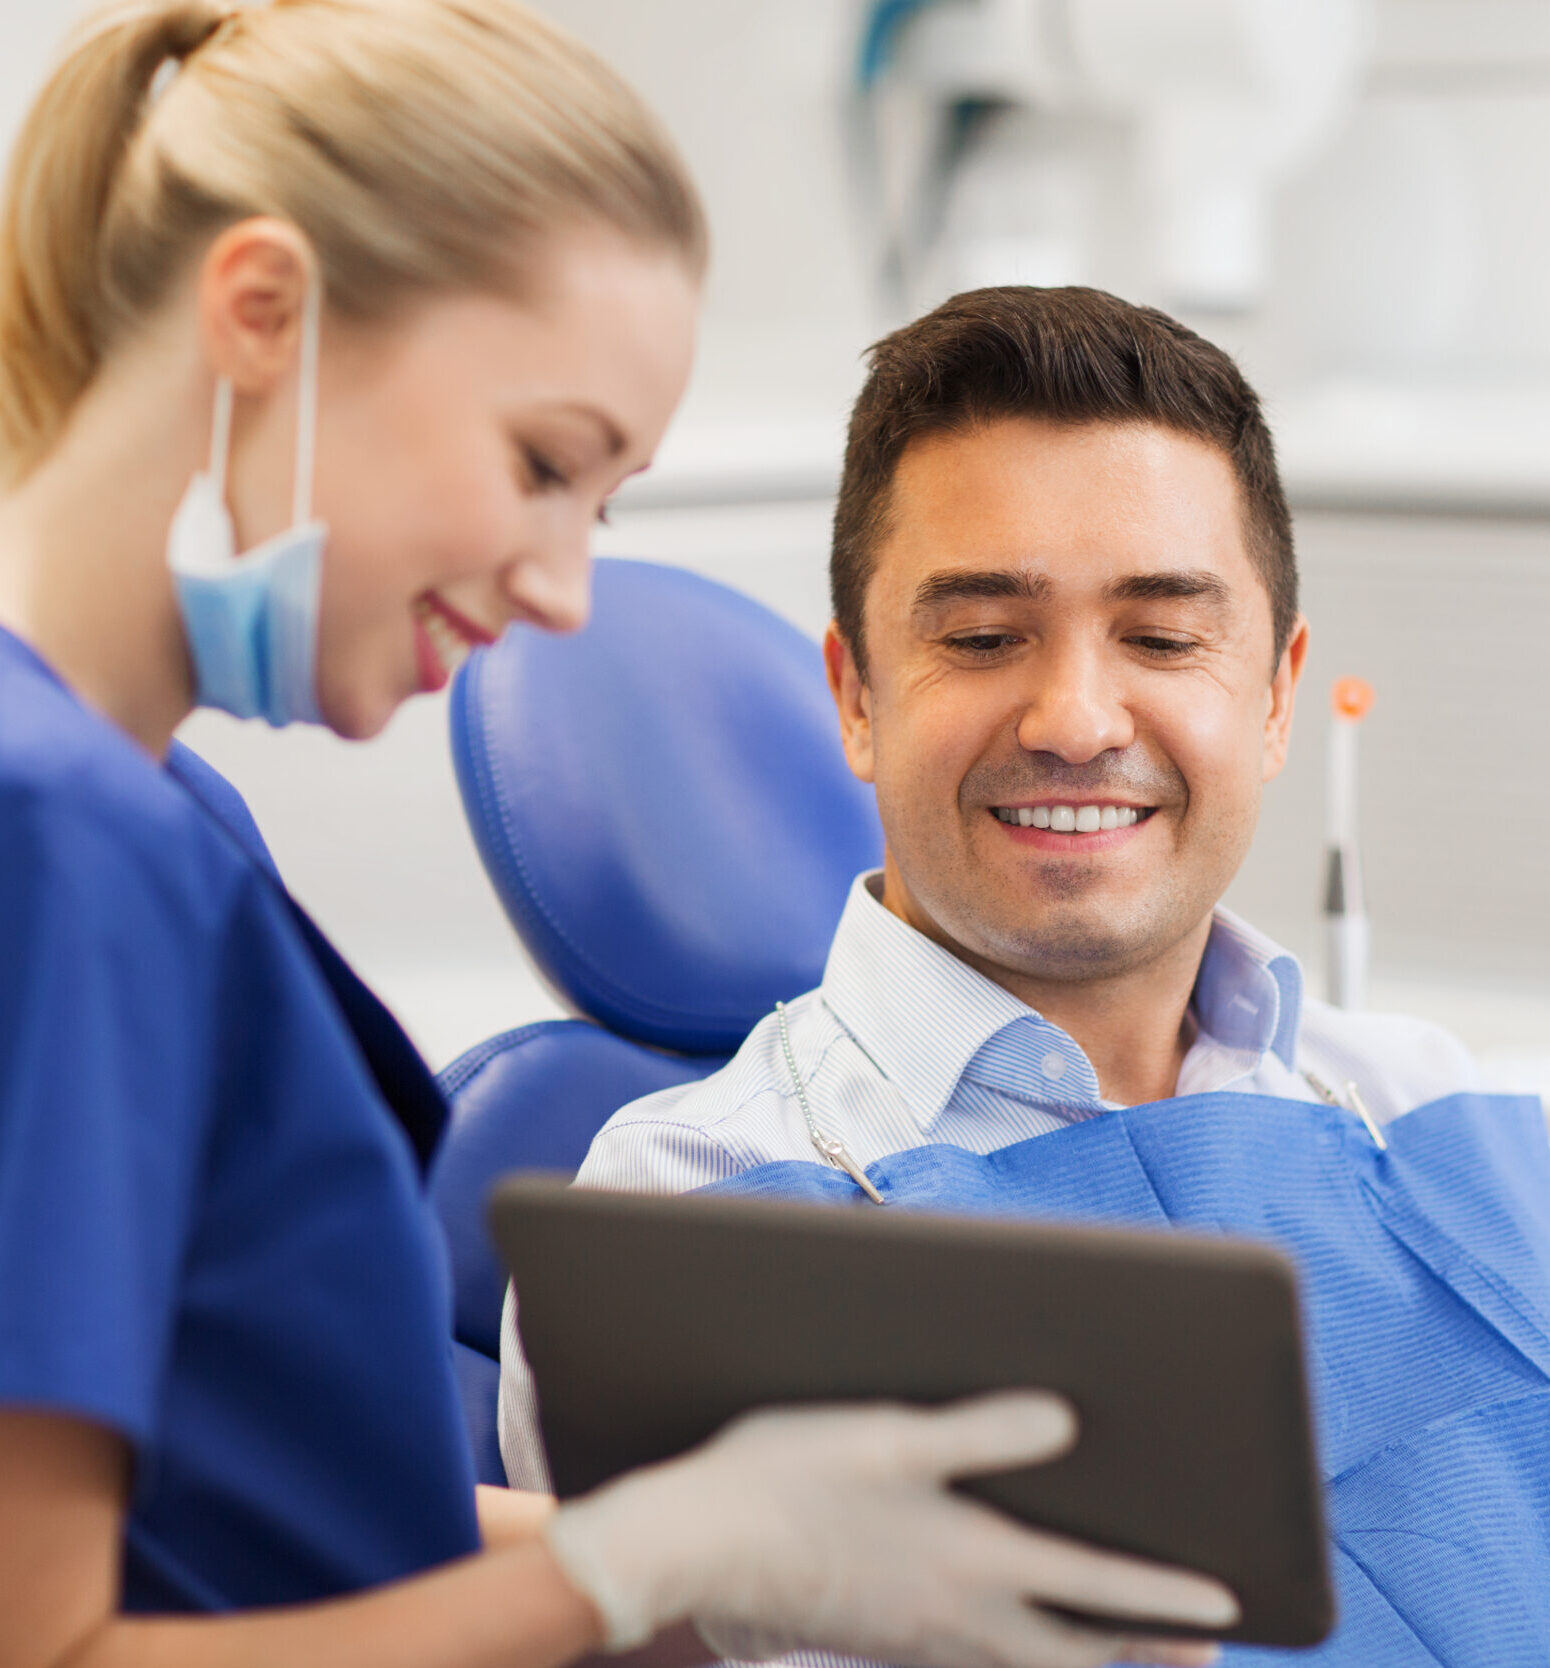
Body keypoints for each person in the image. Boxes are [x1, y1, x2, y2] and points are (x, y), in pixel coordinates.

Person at [0, 6, 1244, 1668]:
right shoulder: (58, 843)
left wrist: (751, 1548)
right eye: (540, 464)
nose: (564, 590)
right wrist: (624, 1568)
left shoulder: (156, 814)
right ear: (262, 312)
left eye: (602, 505)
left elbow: (255, 1510)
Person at [500, 287, 1550, 1667]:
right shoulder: (692, 1211)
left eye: (1163, 638)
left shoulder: (1441, 1114)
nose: (1073, 721)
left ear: (1278, 694)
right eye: (984, 638)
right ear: (856, 696)